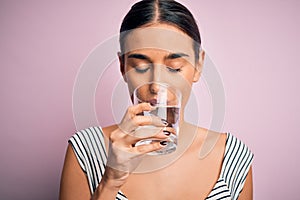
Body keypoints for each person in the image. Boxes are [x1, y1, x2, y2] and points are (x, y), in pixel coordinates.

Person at [59, 0, 254, 199]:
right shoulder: (86, 150)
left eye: (174, 67)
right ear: (122, 67)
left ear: (198, 65)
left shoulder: (231, 156)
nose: (156, 85)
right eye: (141, 67)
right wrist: (110, 182)